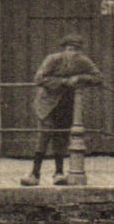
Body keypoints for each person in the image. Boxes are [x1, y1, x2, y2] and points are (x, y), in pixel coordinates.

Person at [22, 34, 103, 186]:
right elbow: (39, 79)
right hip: (47, 103)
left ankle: (58, 173)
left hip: (67, 104)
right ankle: (34, 173)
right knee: (44, 137)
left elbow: (98, 77)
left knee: (61, 138)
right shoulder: (52, 60)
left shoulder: (83, 61)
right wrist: (64, 81)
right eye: (70, 49)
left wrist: (81, 78)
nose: (73, 53)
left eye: (76, 50)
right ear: (64, 49)